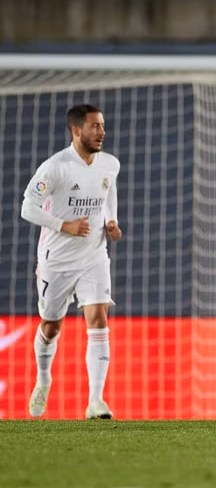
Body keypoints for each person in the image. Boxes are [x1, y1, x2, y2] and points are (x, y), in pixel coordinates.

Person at [22, 104, 122, 419]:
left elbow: (109, 193)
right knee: (51, 326)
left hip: (94, 255)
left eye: (103, 126)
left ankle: (96, 401)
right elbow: (28, 208)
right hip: (57, 259)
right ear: (76, 130)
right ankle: (43, 378)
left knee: (98, 319)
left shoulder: (109, 164)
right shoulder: (55, 168)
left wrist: (112, 221)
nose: (101, 132)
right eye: (94, 126)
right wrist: (64, 226)